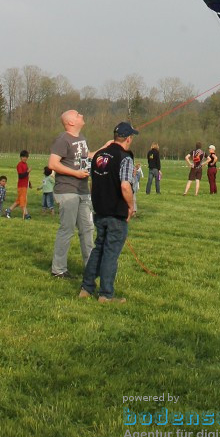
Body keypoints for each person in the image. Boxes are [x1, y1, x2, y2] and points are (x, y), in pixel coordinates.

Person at [78, 121, 138, 304]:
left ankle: (86, 289)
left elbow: (93, 183)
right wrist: (131, 206)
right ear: (128, 139)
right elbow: (125, 186)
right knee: (111, 253)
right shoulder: (124, 157)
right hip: (115, 213)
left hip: (100, 210)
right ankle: (106, 295)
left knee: (99, 249)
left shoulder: (99, 155)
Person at [48, 110, 94, 278]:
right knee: (67, 230)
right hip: (67, 191)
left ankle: (91, 268)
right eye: (77, 114)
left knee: (88, 229)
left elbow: (86, 157)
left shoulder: (82, 139)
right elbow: (53, 163)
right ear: (71, 122)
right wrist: (75, 174)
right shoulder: (62, 139)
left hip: (82, 190)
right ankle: (58, 269)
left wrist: (107, 147)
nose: (81, 114)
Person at [7, 150, 32, 220]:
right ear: (21, 157)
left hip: (25, 185)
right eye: (23, 157)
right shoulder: (19, 165)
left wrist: (29, 183)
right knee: (23, 200)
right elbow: (21, 176)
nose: (25, 158)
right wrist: (27, 171)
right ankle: (26, 214)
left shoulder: (26, 164)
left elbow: (27, 176)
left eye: (26, 157)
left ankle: (8, 210)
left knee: (19, 200)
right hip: (21, 186)